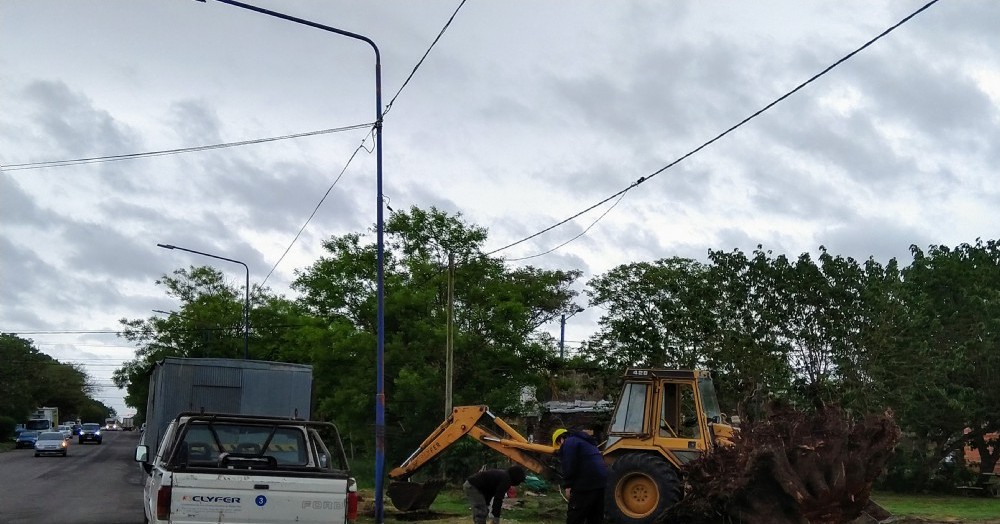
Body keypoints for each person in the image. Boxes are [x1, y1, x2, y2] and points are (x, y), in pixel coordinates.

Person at [553, 428, 608, 524]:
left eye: (559, 445)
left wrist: (568, 485)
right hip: (601, 484)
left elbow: (569, 464)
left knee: (575, 517)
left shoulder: (569, 443)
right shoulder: (587, 442)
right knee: (595, 518)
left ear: (561, 439)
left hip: (585, 485)